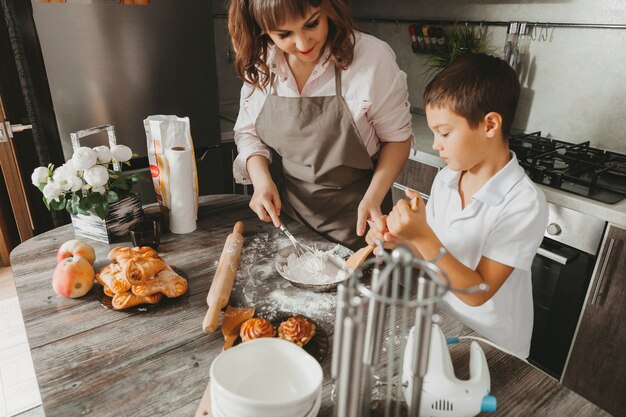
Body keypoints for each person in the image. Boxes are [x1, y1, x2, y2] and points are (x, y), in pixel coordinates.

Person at [366, 53, 549, 358]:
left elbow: (477, 293)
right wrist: (398, 243)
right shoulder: (447, 179)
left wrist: (422, 235)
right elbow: (433, 256)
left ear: (489, 124)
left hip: (492, 344)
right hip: (445, 324)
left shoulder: (524, 202)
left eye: (445, 133)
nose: (435, 144)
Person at [228, 0, 412, 250]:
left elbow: (397, 138)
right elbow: (248, 133)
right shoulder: (262, 63)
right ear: (262, 29)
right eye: (284, 34)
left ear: (329, 9)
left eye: (312, 23)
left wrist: (375, 196)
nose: (303, 44)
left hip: (360, 227)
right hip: (292, 225)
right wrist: (261, 181)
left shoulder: (371, 59)